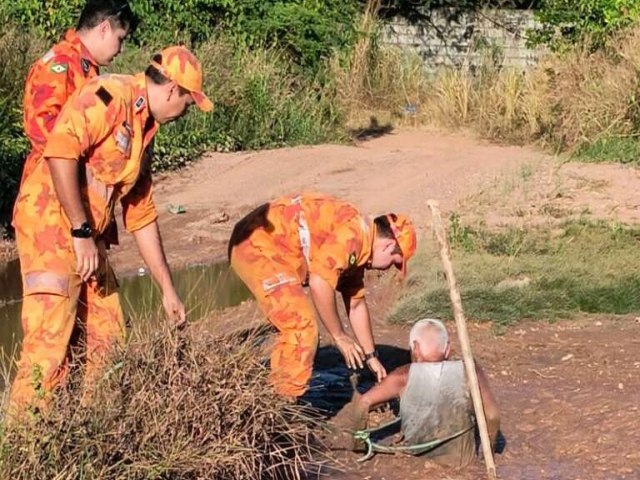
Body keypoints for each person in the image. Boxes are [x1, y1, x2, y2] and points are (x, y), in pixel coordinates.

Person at [9, 46, 214, 414]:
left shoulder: (143, 131)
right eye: (188, 102)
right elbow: (59, 152)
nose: (186, 113)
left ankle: (93, 434)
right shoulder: (108, 95)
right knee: (49, 344)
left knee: (109, 338)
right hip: (52, 228)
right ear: (172, 91)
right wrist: (81, 232)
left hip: (85, 235)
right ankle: (26, 451)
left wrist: (168, 291)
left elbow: (141, 215)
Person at [228, 192, 417, 398]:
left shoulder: (360, 247)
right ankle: (282, 402)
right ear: (388, 245)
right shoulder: (355, 234)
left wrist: (371, 356)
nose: (389, 268)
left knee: (294, 326)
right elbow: (319, 282)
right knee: (300, 326)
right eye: (394, 262)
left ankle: (277, 393)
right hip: (255, 244)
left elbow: (356, 304)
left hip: (266, 245)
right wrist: (339, 336)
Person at [334, 318, 500, 468]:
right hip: (460, 461)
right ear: (447, 349)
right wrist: (488, 454)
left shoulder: (403, 375)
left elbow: (363, 403)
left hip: (417, 459)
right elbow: (492, 416)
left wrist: (359, 444)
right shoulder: (469, 371)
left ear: (415, 348)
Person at [21, 0, 137, 184]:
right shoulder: (60, 64)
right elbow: (42, 130)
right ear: (104, 28)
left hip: (73, 184)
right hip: (49, 189)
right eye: (120, 39)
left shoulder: (84, 66)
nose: (121, 50)